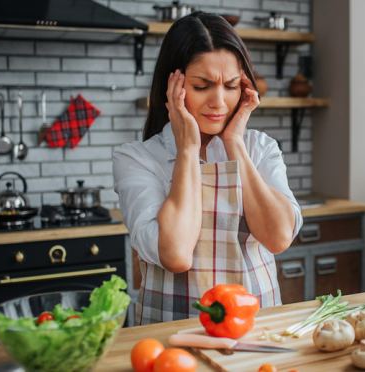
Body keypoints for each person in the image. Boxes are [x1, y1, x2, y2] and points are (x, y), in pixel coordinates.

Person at [113, 11, 302, 325]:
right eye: (202, 86)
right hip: (173, 335)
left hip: (256, 328)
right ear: (172, 88)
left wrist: (235, 143)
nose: (219, 102)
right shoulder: (137, 159)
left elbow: (278, 237)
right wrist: (187, 148)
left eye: (230, 86)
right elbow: (175, 255)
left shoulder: (259, 148)